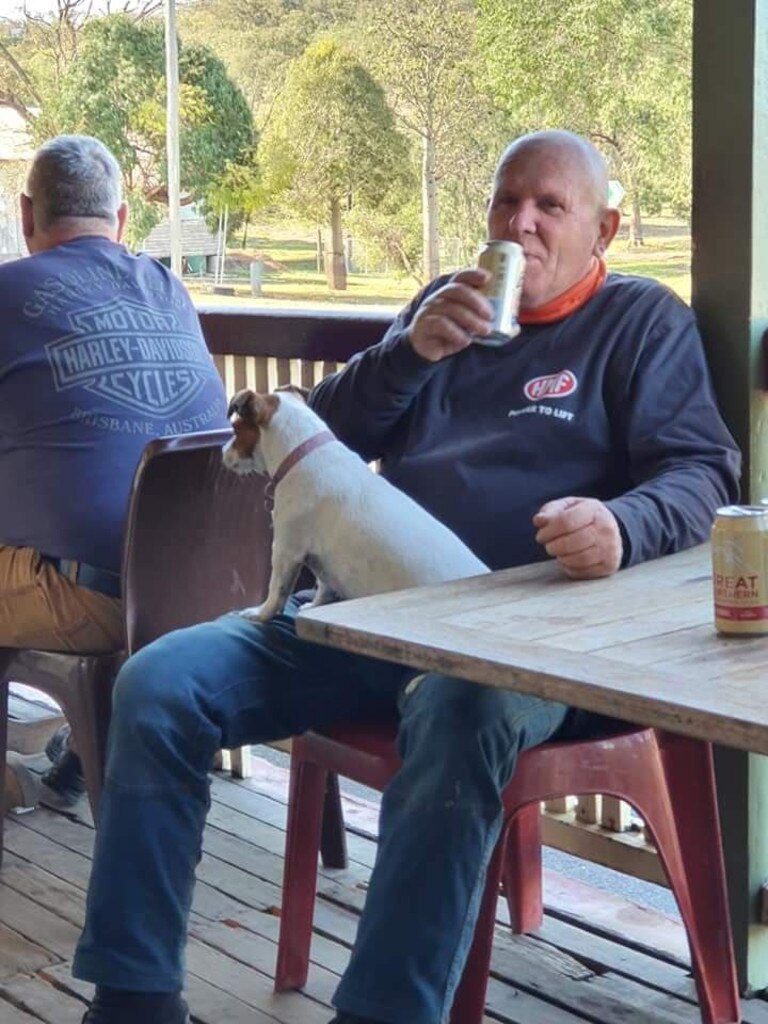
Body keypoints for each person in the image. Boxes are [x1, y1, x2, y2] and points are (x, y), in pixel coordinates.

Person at [72, 130, 740, 1024]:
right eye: (507, 202)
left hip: (524, 643)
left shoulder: (640, 324)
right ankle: (134, 999)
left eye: (550, 207)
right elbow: (322, 440)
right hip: (371, 612)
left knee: (457, 706)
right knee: (158, 681)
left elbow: (705, 473)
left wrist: (622, 523)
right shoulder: (444, 309)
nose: (522, 224)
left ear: (606, 229)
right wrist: (409, 353)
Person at [0, 135, 229, 812]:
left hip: (93, 601)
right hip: (204, 587)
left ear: (25, 215)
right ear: (122, 221)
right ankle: (82, 750)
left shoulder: (6, 290)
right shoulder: (168, 288)